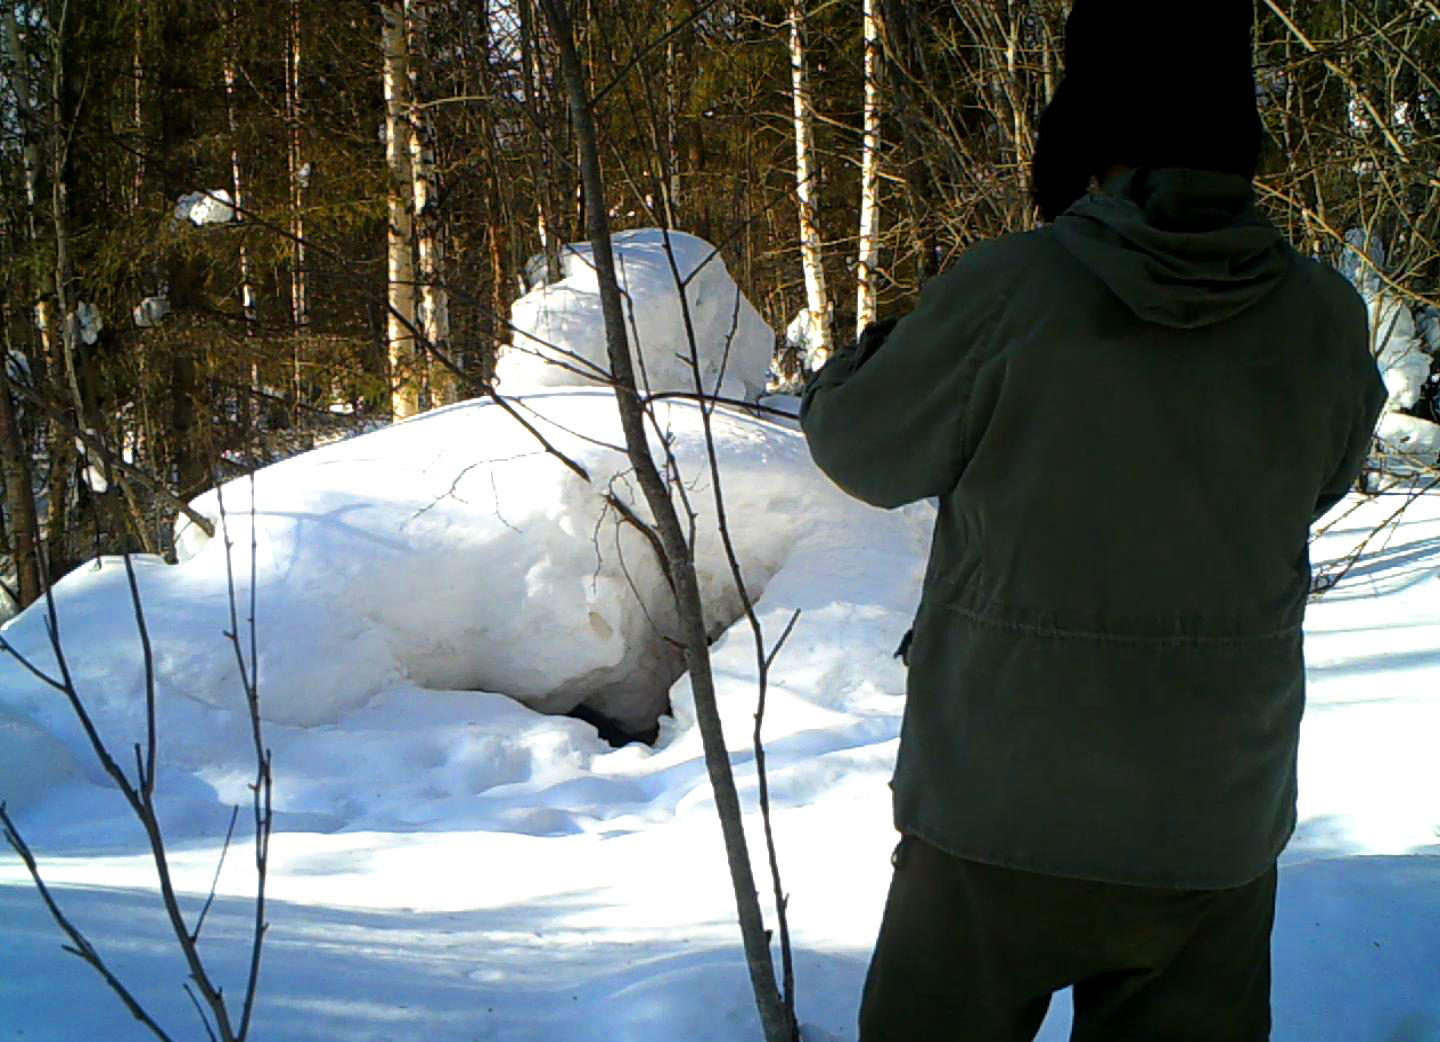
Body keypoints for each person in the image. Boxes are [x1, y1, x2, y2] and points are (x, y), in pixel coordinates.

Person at [799, 2, 1387, 1040]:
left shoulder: (1011, 290)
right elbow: (1323, 475)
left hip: (994, 815)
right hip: (1210, 823)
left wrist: (865, 360)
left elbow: (859, 448)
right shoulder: (1320, 315)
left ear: (1088, 123)